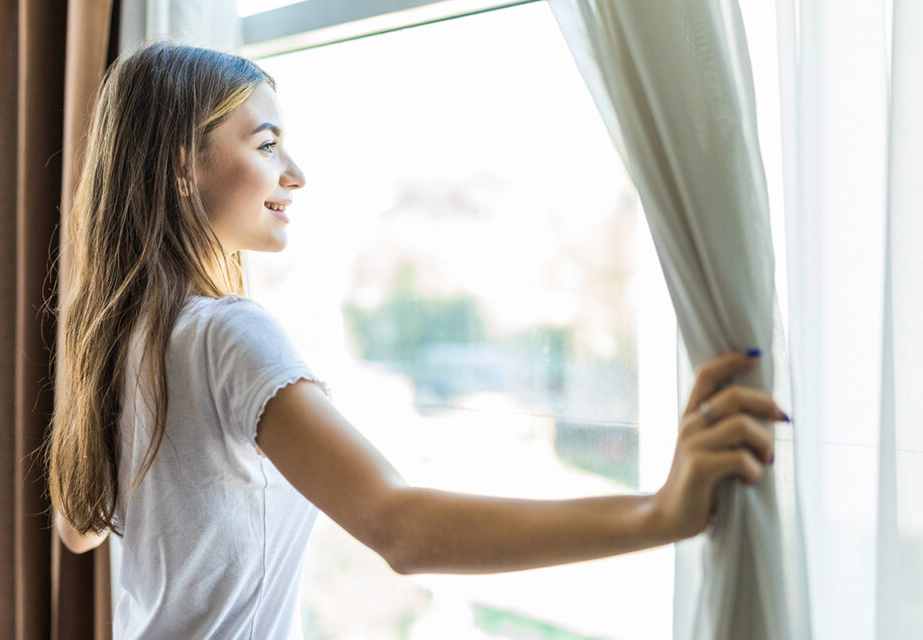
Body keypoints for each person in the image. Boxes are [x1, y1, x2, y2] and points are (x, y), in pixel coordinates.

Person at [44, 40, 790, 639]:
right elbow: (398, 529)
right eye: (268, 144)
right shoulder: (227, 336)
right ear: (183, 168)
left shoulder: (125, 340)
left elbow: (77, 528)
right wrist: (662, 512)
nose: (295, 174)